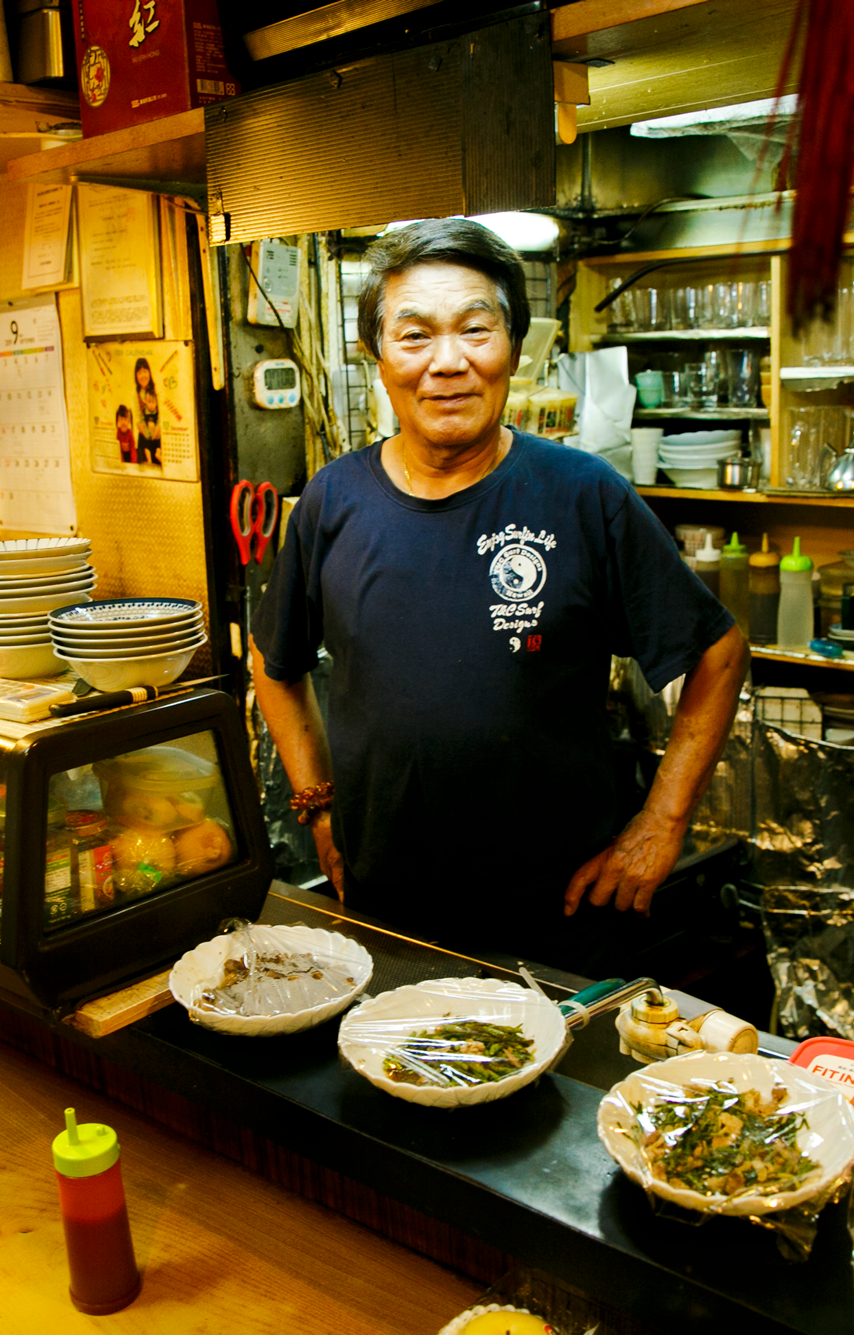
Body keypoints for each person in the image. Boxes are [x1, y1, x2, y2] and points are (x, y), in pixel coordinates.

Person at [251, 217, 747, 964]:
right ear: (377, 357)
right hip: (385, 906)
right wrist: (317, 808)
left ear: (514, 346)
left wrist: (662, 823)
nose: (447, 363)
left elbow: (717, 652)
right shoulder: (333, 500)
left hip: (561, 916)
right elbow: (274, 663)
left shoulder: (584, 495)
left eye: (475, 331)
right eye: (414, 336)